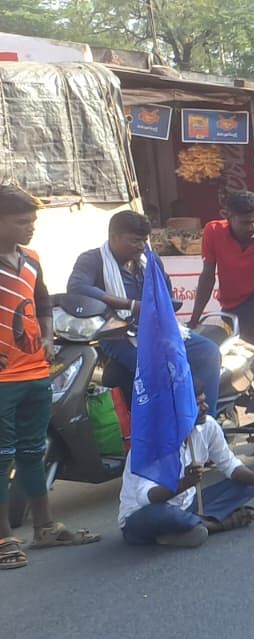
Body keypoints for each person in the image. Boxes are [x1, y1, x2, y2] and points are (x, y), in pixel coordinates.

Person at [0, 185, 100, 569]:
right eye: (22, 221)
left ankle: (44, 526)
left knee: (32, 452)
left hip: (35, 373)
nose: (30, 227)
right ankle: (4, 537)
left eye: (33, 220)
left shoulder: (32, 259)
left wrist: (45, 335)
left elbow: (42, 301)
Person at [67, 210, 224, 417]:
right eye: (134, 241)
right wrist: (130, 305)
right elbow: (78, 288)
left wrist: (164, 307)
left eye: (143, 240)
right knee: (160, 367)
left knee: (208, 352)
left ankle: (206, 423)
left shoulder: (149, 260)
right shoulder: (92, 260)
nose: (140, 246)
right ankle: (169, 426)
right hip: (117, 335)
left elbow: (165, 291)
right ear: (114, 237)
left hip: (157, 328)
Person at [118, 389, 254, 547]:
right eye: (198, 404)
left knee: (251, 481)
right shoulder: (151, 444)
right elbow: (147, 498)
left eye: (204, 401)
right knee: (165, 515)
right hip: (144, 515)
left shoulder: (208, 426)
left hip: (189, 506)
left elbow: (229, 464)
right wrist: (185, 483)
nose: (206, 407)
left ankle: (186, 527)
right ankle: (219, 525)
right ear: (178, 410)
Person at [187, 190, 254, 371]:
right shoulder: (213, 231)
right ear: (228, 216)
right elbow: (208, 275)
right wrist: (194, 318)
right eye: (245, 222)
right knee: (252, 353)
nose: (253, 228)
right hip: (235, 301)